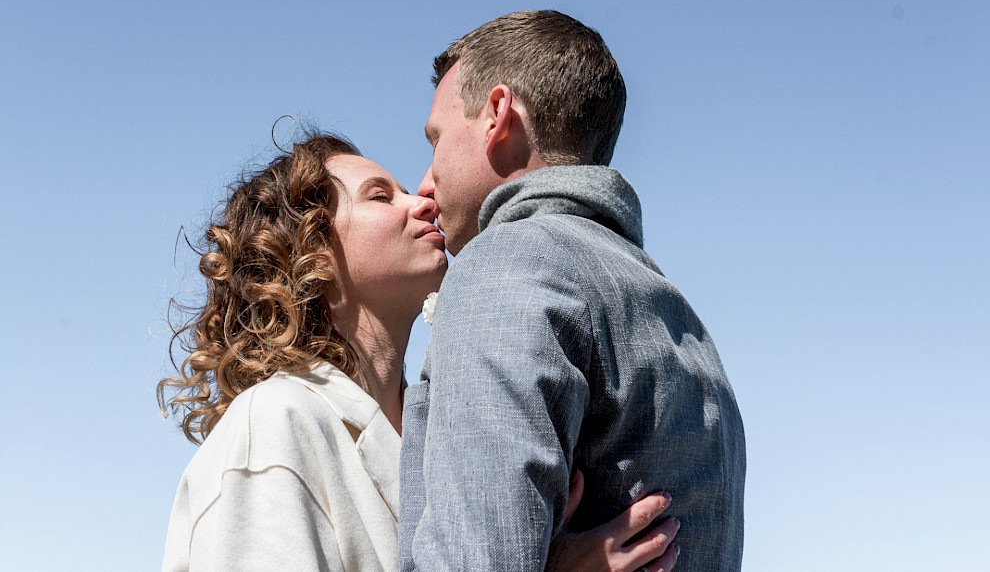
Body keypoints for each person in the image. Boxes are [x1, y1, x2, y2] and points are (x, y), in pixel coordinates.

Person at [159, 133, 681, 571]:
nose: (423, 200)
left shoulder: (443, 437)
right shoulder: (273, 423)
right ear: (311, 250)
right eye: (380, 196)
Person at [399, 10, 746, 571]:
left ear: (497, 115)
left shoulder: (506, 264)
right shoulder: (677, 316)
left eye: (437, 139)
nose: (424, 182)